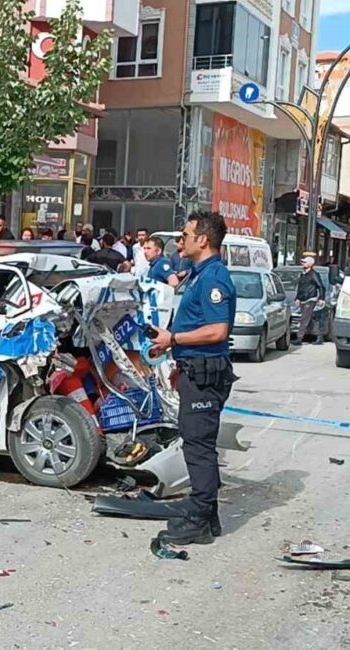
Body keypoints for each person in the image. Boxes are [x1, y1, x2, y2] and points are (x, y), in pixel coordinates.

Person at [149, 211, 236, 546]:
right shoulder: (200, 274)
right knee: (198, 443)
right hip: (194, 369)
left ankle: (199, 519)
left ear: (203, 239)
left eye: (184, 235)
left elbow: (217, 330)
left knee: (199, 447)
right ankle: (208, 516)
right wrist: (175, 357)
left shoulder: (214, 277)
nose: (179, 241)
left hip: (205, 373)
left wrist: (173, 340)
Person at [292, 256, 327, 346]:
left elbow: (321, 286)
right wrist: (297, 298)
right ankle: (319, 336)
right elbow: (301, 288)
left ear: (310, 264)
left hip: (310, 299)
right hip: (303, 299)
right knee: (309, 320)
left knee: (304, 319)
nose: (302, 263)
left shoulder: (313, 274)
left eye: (304, 262)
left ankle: (299, 338)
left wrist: (321, 298)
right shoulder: (303, 274)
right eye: (302, 262)